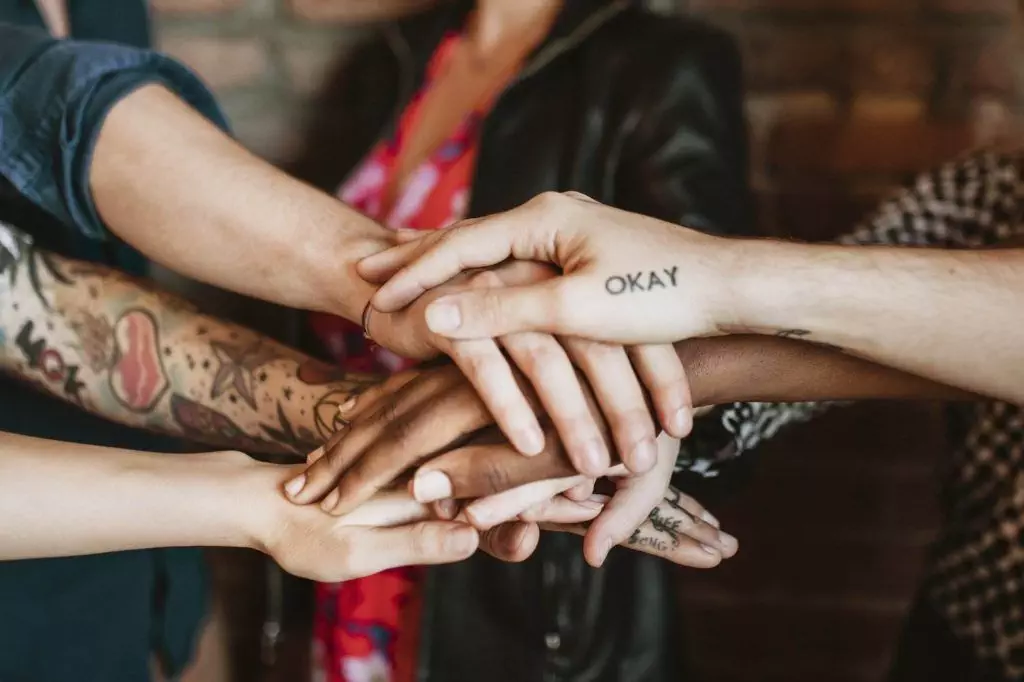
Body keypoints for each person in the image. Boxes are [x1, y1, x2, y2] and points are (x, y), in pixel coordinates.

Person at [0, 14, 668, 681]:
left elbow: (34, 303)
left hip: (142, 592)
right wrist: (250, 505)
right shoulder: (394, 61)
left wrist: (378, 420)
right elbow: (55, 108)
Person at [284, 0, 750, 679]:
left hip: (516, 582)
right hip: (351, 534)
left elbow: (724, 337)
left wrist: (648, 421)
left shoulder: (659, 61)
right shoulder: (395, 58)